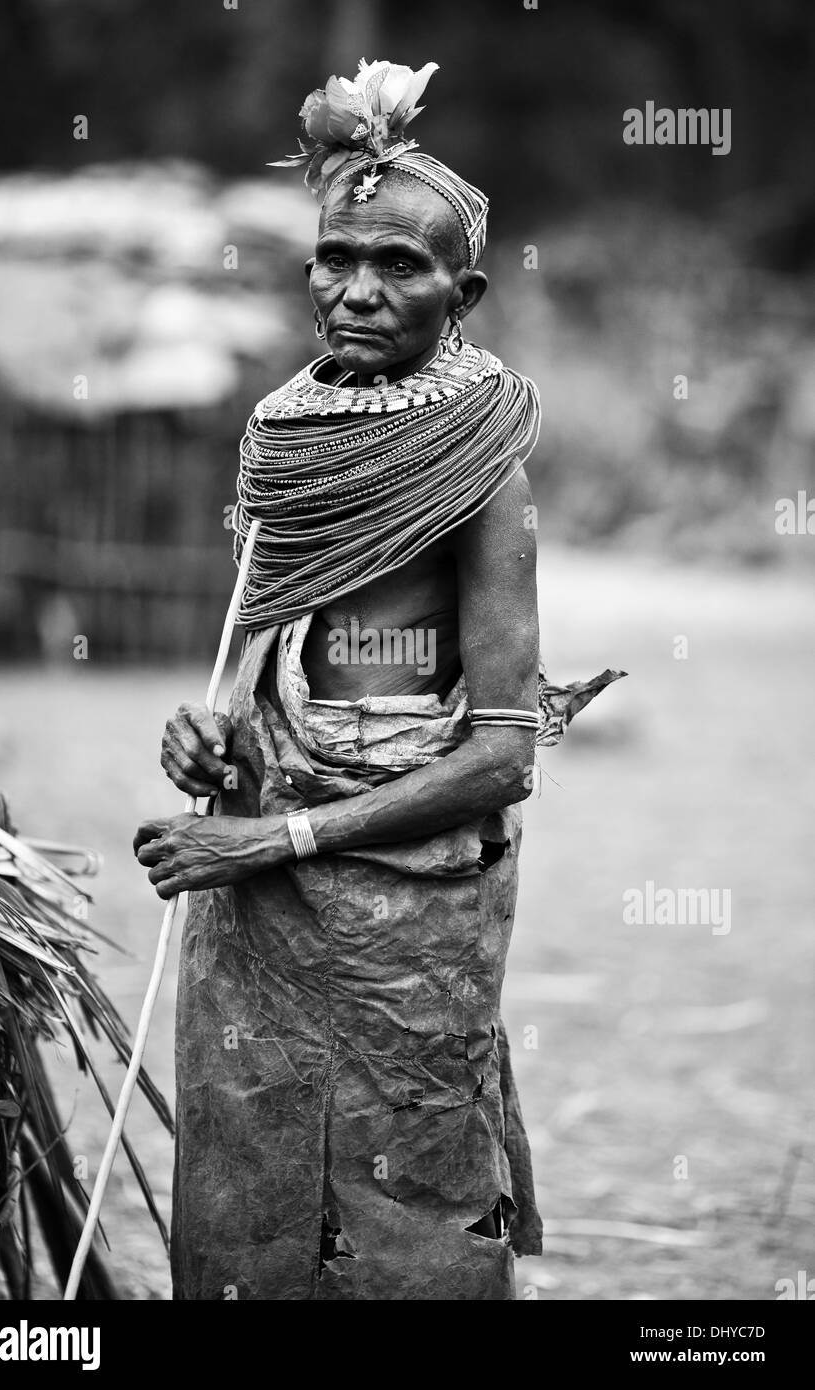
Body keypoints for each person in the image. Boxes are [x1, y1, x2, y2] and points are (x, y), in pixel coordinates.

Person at [134, 59, 622, 1300]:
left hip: (397, 921)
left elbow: (502, 755)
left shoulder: (477, 473)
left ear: (459, 293)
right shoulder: (283, 439)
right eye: (335, 257)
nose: (355, 289)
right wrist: (210, 737)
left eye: (397, 266)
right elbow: (248, 665)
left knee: (404, 1201)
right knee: (244, 1185)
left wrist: (275, 839)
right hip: (249, 910)